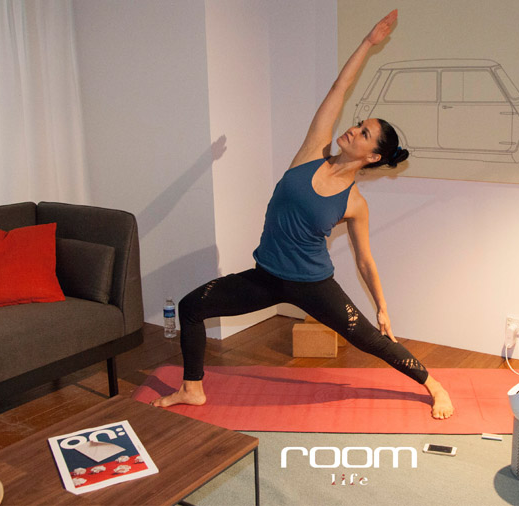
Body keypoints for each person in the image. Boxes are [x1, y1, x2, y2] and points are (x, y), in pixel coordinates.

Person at [151, 10, 454, 419]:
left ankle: (433, 384)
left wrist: (382, 306)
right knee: (191, 306)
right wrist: (367, 43)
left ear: (372, 156)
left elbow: (365, 260)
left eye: (364, 134)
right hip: (266, 277)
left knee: (369, 339)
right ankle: (192, 389)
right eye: (359, 124)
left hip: (313, 285)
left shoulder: (354, 203)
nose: (354, 130)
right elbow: (339, 89)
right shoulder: (312, 152)